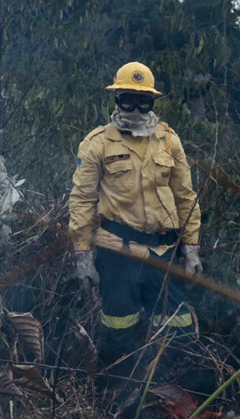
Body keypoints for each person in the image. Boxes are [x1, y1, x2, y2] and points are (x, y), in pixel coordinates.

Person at [68, 61, 202, 400]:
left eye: (144, 101)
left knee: (177, 331)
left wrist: (191, 248)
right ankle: (115, 401)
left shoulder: (169, 141)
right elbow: (82, 200)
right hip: (118, 254)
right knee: (119, 332)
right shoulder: (97, 143)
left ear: (152, 102)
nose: (137, 108)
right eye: (129, 99)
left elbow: (185, 197)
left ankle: (172, 402)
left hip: (163, 253)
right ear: (117, 99)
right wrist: (82, 255)